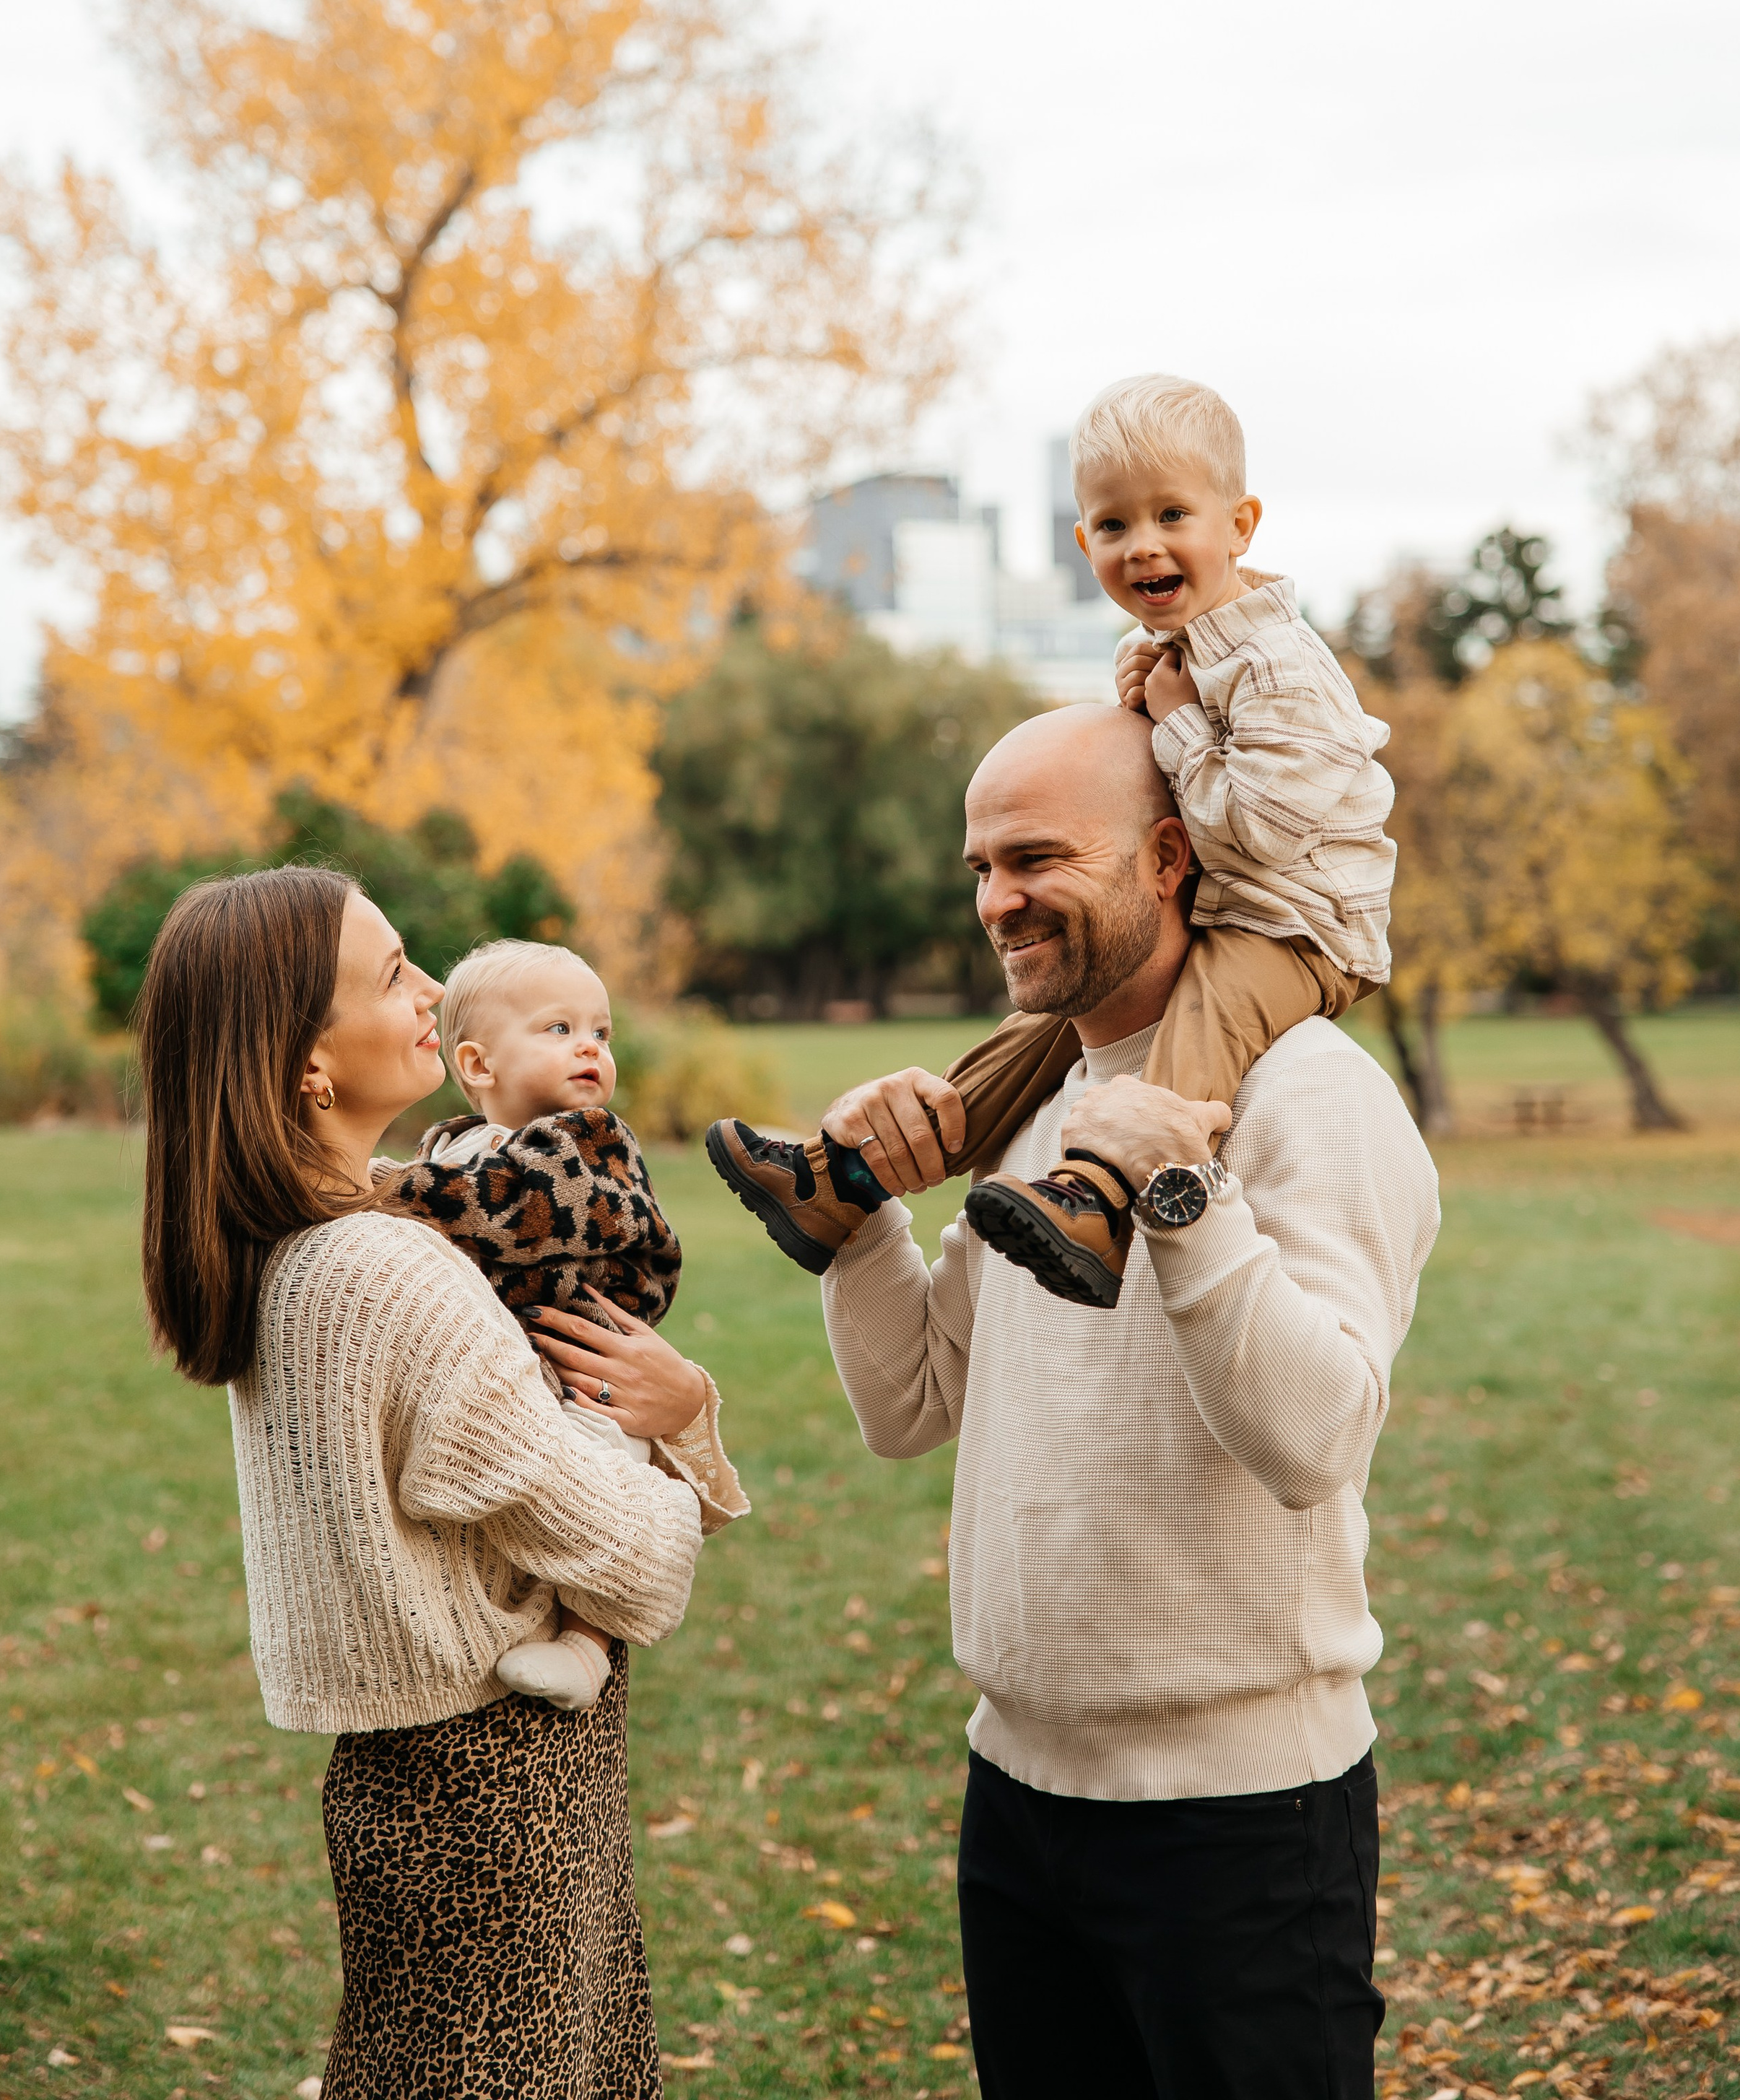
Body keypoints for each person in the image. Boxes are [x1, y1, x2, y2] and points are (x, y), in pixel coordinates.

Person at [815, 705, 1440, 2100]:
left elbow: (1319, 1438)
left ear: (1168, 857)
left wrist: (1182, 1197)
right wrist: (861, 1223)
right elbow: (914, 1403)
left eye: (1036, 856)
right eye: (979, 867)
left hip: (1239, 1826)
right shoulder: (1043, 1102)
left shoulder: (1313, 1097)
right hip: (1019, 1805)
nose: (998, 901)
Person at [137, 866, 745, 2100]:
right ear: (310, 1059)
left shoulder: (298, 1251)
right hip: (495, 1800)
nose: (429, 992)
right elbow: (635, 1560)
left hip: (421, 1787)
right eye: (392, 975)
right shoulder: (388, 1272)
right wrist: (687, 1429)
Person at [705, 370, 1396, 1308]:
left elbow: (1271, 832)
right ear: (1083, 542)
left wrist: (1176, 721)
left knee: (1205, 1013)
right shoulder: (1176, 649)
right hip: (1223, 898)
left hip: (1298, 924)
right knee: (1045, 1021)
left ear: (1240, 526)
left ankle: (1104, 1200)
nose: (1142, 545)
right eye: (1114, 526)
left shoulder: (1277, 667)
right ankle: (846, 1183)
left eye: (1172, 516)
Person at [392, 937, 684, 1713]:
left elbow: (513, 1212)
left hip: (591, 1354)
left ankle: (588, 1646)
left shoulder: (588, 1142)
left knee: (606, 1468)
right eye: (558, 1029)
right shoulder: (448, 1148)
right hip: (519, 1353)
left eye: (601, 1031)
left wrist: (378, 1192)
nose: (590, 1045)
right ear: (479, 1066)